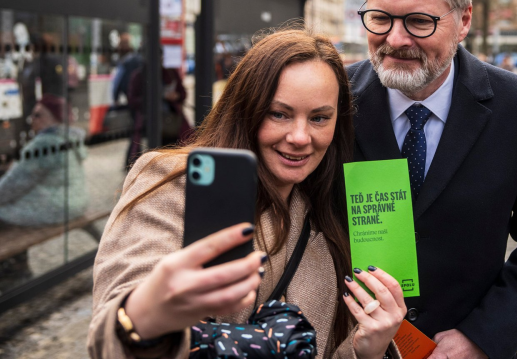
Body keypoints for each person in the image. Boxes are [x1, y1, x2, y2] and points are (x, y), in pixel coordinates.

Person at [89, 30, 407, 359]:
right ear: (246, 109)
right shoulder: (173, 183)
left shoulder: (329, 214)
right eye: (279, 114)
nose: (300, 137)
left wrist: (366, 350)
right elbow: (109, 340)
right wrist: (146, 312)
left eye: (319, 118)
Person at [347, 0, 517, 359]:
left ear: (464, 20)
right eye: (380, 18)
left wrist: (482, 337)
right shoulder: (331, 101)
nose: (396, 39)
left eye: (419, 21)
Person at [0, 94, 88, 292]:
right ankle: (18, 269)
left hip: (54, 208)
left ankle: (13, 274)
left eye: (38, 115)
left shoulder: (43, 144)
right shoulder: (69, 137)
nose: (32, 120)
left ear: (53, 118)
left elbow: (10, 188)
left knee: (4, 213)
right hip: (75, 202)